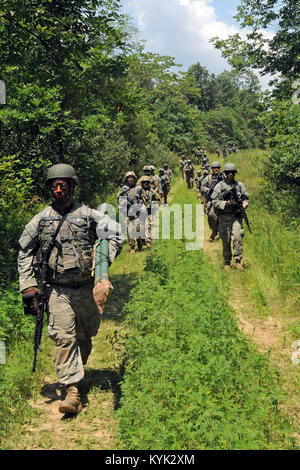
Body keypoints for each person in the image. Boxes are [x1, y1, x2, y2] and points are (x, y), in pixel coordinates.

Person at [18, 164, 124, 415]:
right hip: (57, 290)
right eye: (54, 186)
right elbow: (24, 252)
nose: (58, 190)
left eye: (63, 185)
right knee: (63, 337)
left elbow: (117, 234)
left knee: (84, 337)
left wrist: (103, 260)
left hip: (86, 288)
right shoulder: (41, 219)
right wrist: (28, 285)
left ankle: (76, 371)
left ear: (73, 186)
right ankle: (72, 391)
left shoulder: (88, 215)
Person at [211, 163, 249, 270]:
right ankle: (227, 261)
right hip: (224, 216)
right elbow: (214, 201)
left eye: (232, 172)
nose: (230, 174)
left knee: (238, 237)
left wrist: (244, 204)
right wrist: (226, 203)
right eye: (228, 172)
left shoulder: (239, 185)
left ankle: (238, 261)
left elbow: (246, 198)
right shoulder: (219, 186)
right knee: (226, 239)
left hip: (236, 216)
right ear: (225, 173)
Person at [117, 171, 142, 254]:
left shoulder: (138, 188)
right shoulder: (123, 189)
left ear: (134, 178)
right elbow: (118, 198)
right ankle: (132, 247)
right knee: (130, 230)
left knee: (138, 230)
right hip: (128, 213)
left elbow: (143, 198)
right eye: (129, 177)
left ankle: (139, 242)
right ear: (126, 179)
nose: (130, 179)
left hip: (137, 213)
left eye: (132, 177)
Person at [134, 175, 160, 247]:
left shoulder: (151, 190)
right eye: (144, 182)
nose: (145, 184)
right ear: (142, 183)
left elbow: (157, 198)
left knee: (148, 225)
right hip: (139, 212)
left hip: (149, 211)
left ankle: (148, 240)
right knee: (138, 227)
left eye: (147, 182)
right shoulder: (138, 190)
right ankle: (139, 241)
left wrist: (155, 202)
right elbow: (134, 200)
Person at [201, 162, 223, 242]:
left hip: (222, 199)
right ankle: (214, 231)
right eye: (214, 168)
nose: (216, 169)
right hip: (211, 200)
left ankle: (220, 233)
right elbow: (202, 187)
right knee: (211, 215)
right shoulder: (208, 178)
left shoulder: (223, 176)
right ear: (212, 169)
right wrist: (209, 189)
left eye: (218, 168)